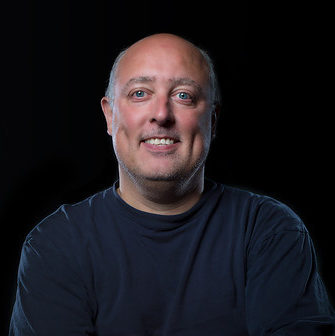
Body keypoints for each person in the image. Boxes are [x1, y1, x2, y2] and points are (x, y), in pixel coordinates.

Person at [9, 33, 335, 335]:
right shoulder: (55, 244)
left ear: (213, 121)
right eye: (140, 93)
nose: (162, 114)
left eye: (183, 95)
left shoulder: (268, 230)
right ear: (110, 117)